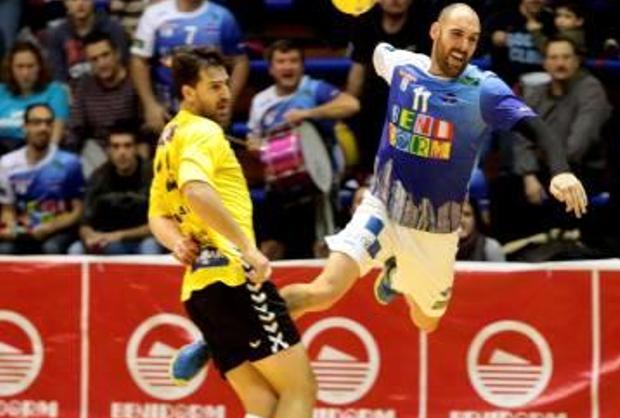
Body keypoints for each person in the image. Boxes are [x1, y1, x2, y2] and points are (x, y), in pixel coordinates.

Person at [170, 3, 587, 383]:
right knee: (323, 291)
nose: (464, 46)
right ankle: (213, 341)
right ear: (435, 31)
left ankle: (400, 275)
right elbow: (372, 46)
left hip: (434, 231)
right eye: (456, 34)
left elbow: (538, 128)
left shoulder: (484, 89)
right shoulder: (402, 64)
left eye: (472, 39)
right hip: (383, 206)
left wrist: (561, 172)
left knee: (426, 321)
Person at [148, 47, 314, 418]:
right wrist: (248, 248)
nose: (225, 94)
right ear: (188, 92)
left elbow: (158, 215)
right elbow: (197, 190)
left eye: (226, 84)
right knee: (300, 391)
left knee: (262, 400)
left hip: (200, 288)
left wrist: (176, 241)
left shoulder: (170, 135)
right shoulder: (203, 132)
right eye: (214, 87)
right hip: (234, 275)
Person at [248, 39, 360, 260]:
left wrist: (309, 114)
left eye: (293, 61)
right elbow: (253, 139)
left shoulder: (314, 89)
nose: (287, 67)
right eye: (281, 61)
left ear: (302, 65)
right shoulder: (260, 101)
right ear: (271, 68)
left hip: (320, 186)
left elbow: (351, 104)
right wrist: (256, 146)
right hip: (279, 186)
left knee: (323, 250)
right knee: (270, 248)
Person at [514, 36, 610, 232]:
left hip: (580, 169)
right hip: (539, 169)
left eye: (566, 57)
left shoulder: (591, 89)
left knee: (561, 202)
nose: (560, 63)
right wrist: (528, 175)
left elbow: (578, 146)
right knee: (504, 190)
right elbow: (522, 137)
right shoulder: (536, 92)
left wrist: (551, 168)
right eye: (554, 58)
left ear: (576, 61)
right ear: (545, 63)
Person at [131, 0, 249, 133]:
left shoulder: (222, 16)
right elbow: (139, 61)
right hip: (166, 111)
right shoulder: (154, 14)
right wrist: (150, 105)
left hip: (209, 112)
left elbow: (240, 62)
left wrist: (227, 104)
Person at [346, 0, 429, 176]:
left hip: (411, 108)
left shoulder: (424, 23)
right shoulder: (364, 22)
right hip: (372, 104)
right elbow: (357, 73)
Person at [0, 104, 84, 254]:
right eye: (36, 123)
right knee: (5, 250)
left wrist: (51, 227)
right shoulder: (7, 163)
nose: (43, 128)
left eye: (48, 123)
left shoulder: (70, 162)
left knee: (51, 248)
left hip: (58, 228)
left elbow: (77, 211)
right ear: (25, 127)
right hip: (24, 230)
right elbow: (8, 209)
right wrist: (11, 228)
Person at [68, 125, 161, 254]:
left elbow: (162, 224)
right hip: (108, 239)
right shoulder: (98, 177)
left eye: (127, 146)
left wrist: (120, 235)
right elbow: (85, 223)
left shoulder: (153, 175)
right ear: (108, 150)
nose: (121, 152)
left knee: (149, 246)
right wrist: (90, 236)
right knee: (75, 249)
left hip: (142, 239)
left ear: (136, 149)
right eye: (115, 146)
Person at [66, 32, 141, 157]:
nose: (101, 63)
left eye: (105, 55)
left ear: (117, 54)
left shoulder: (136, 80)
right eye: (94, 59)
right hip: (99, 148)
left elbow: (145, 125)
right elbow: (76, 127)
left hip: (131, 145)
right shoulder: (85, 85)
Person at [0, 41, 69, 152]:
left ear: (39, 67)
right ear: (11, 69)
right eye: (20, 67)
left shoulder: (54, 92)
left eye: (30, 66)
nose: (25, 73)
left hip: (34, 151)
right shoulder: (1, 91)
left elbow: (56, 132)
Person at [45, 0, 129, 82]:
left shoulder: (113, 29)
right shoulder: (56, 34)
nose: (80, 4)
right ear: (65, 3)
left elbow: (123, 65)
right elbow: (59, 77)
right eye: (74, 0)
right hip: (72, 92)